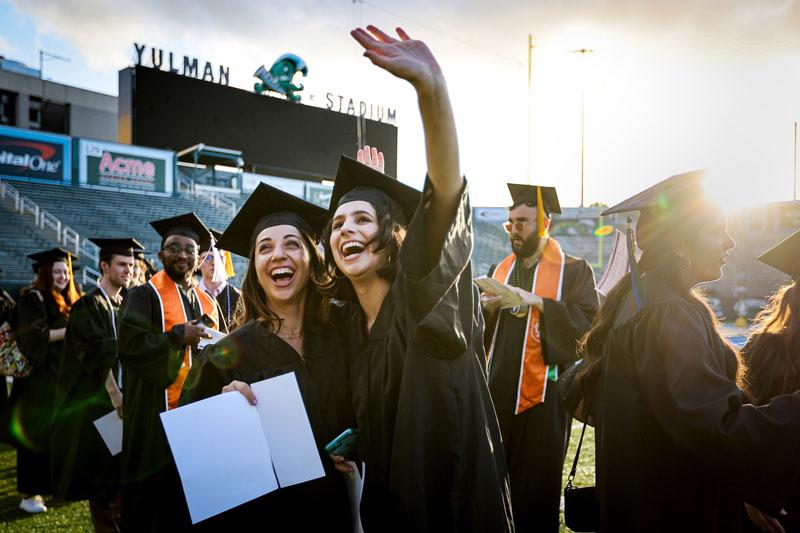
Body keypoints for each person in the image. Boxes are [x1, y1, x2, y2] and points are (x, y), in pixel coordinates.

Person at [324, 26, 513, 532]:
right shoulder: (349, 328)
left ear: (394, 235)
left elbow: (446, 197)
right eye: (339, 223)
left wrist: (432, 93)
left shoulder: (425, 297)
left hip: (453, 509)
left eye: (364, 220)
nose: (348, 230)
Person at [566, 170, 800, 532]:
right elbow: (715, 429)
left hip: (641, 502)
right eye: (716, 231)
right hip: (674, 510)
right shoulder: (669, 314)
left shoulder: (636, 300)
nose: (729, 244)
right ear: (678, 244)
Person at [180, 183, 353, 530]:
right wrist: (221, 417)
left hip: (345, 509)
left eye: (292, 244)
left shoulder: (346, 332)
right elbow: (194, 472)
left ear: (312, 257)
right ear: (255, 267)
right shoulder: (224, 358)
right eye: (264, 247)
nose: (278, 255)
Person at [481, 183, 598, 532]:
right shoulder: (498, 269)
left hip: (545, 397)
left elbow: (589, 324)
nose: (515, 229)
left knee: (536, 491)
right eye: (511, 223)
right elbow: (482, 337)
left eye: (523, 222)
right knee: (494, 489)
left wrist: (537, 303)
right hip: (497, 394)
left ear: (545, 224)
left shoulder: (574, 271)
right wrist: (484, 311)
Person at [117, 213, 218, 531]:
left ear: (200, 257)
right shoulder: (143, 295)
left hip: (196, 416)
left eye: (190, 249)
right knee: (152, 507)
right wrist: (177, 336)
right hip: (153, 416)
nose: (182, 254)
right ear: (161, 255)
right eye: (174, 247)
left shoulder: (205, 301)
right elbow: (131, 347)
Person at [50, 238, 141, 532]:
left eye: (131, 265)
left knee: (121, 482)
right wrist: (116, 396)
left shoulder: (122, 303)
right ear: (104, 266)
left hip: (122, 403)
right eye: (122, 265)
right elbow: (94, 357)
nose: (129, 270)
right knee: (103, 484)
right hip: (100, 406)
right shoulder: (90, 305)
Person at [0, 248, 79, 514]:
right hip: (36, 382)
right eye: (57, 271)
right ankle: (29, 493)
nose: (63, 276)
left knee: (53, 436)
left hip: (57, 379)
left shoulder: (66, 299)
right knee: (33, 438)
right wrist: (71, 331)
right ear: (45, 273)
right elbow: (36, 337)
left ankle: (50, 487)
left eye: (66, 272)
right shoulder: (32, 297)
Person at [739, 228, 800, 531]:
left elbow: (742, 424)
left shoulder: (759, 348)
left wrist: (750, 487)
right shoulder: (762, 348)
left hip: (771, 503)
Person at [196, 229, 240, 332]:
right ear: (198, 262)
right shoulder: (190, 296)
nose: (214, 262)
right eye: (208, 257)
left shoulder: (239, 298)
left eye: (219, 257)